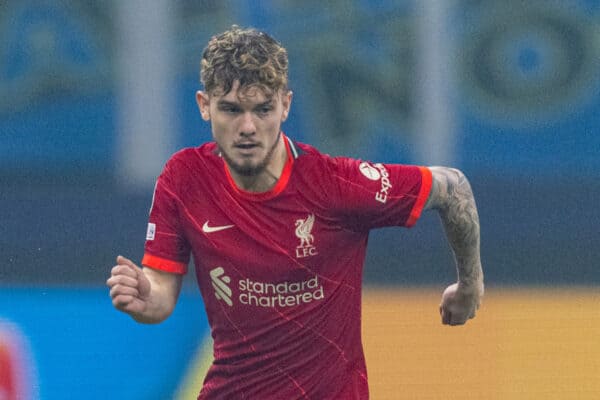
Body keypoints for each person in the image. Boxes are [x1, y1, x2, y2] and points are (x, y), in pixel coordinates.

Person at [106, 25, 484, 399]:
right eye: (232, 109)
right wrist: (144, 297)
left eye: (263, 109)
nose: (248, 127)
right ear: (205, 106)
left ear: (285, 105)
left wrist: (470, 285)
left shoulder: (335, 184)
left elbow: (453, 188)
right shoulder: (184, 178)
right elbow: (159, 295)